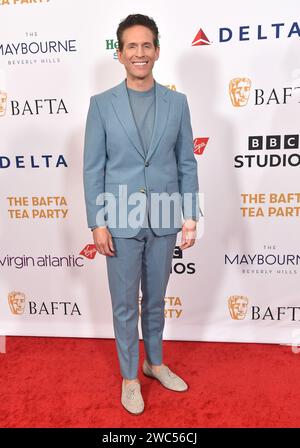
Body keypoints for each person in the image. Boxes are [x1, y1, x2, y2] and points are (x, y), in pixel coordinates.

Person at [83, 13, 199, 415]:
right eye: (131, 46)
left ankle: (155, 362)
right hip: (119, 219)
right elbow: (93, 168)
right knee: (124, 304)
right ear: (119, 54)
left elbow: (186, 162)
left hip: (166, 217)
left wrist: (190, 213)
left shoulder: (177, 103)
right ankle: (130, 376)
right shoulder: (101, 106)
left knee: (156, 300)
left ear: (157, 51)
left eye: (146, 45)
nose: (139, 52)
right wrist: (97, 221)